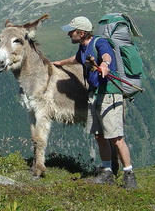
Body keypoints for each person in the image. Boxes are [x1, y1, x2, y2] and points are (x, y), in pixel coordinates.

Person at [52, 16, 137, 189]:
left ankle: (129, 174)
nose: (69, 34)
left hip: (108, 95)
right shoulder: (83, 48)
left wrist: (105, 65)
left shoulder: (99, 43)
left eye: (72, 31)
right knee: (99, 135)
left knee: (116, 137)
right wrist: (59, 63)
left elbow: (106, 55)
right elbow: (76, 59)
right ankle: (106, 172)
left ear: (82, 33)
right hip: (94, 95)